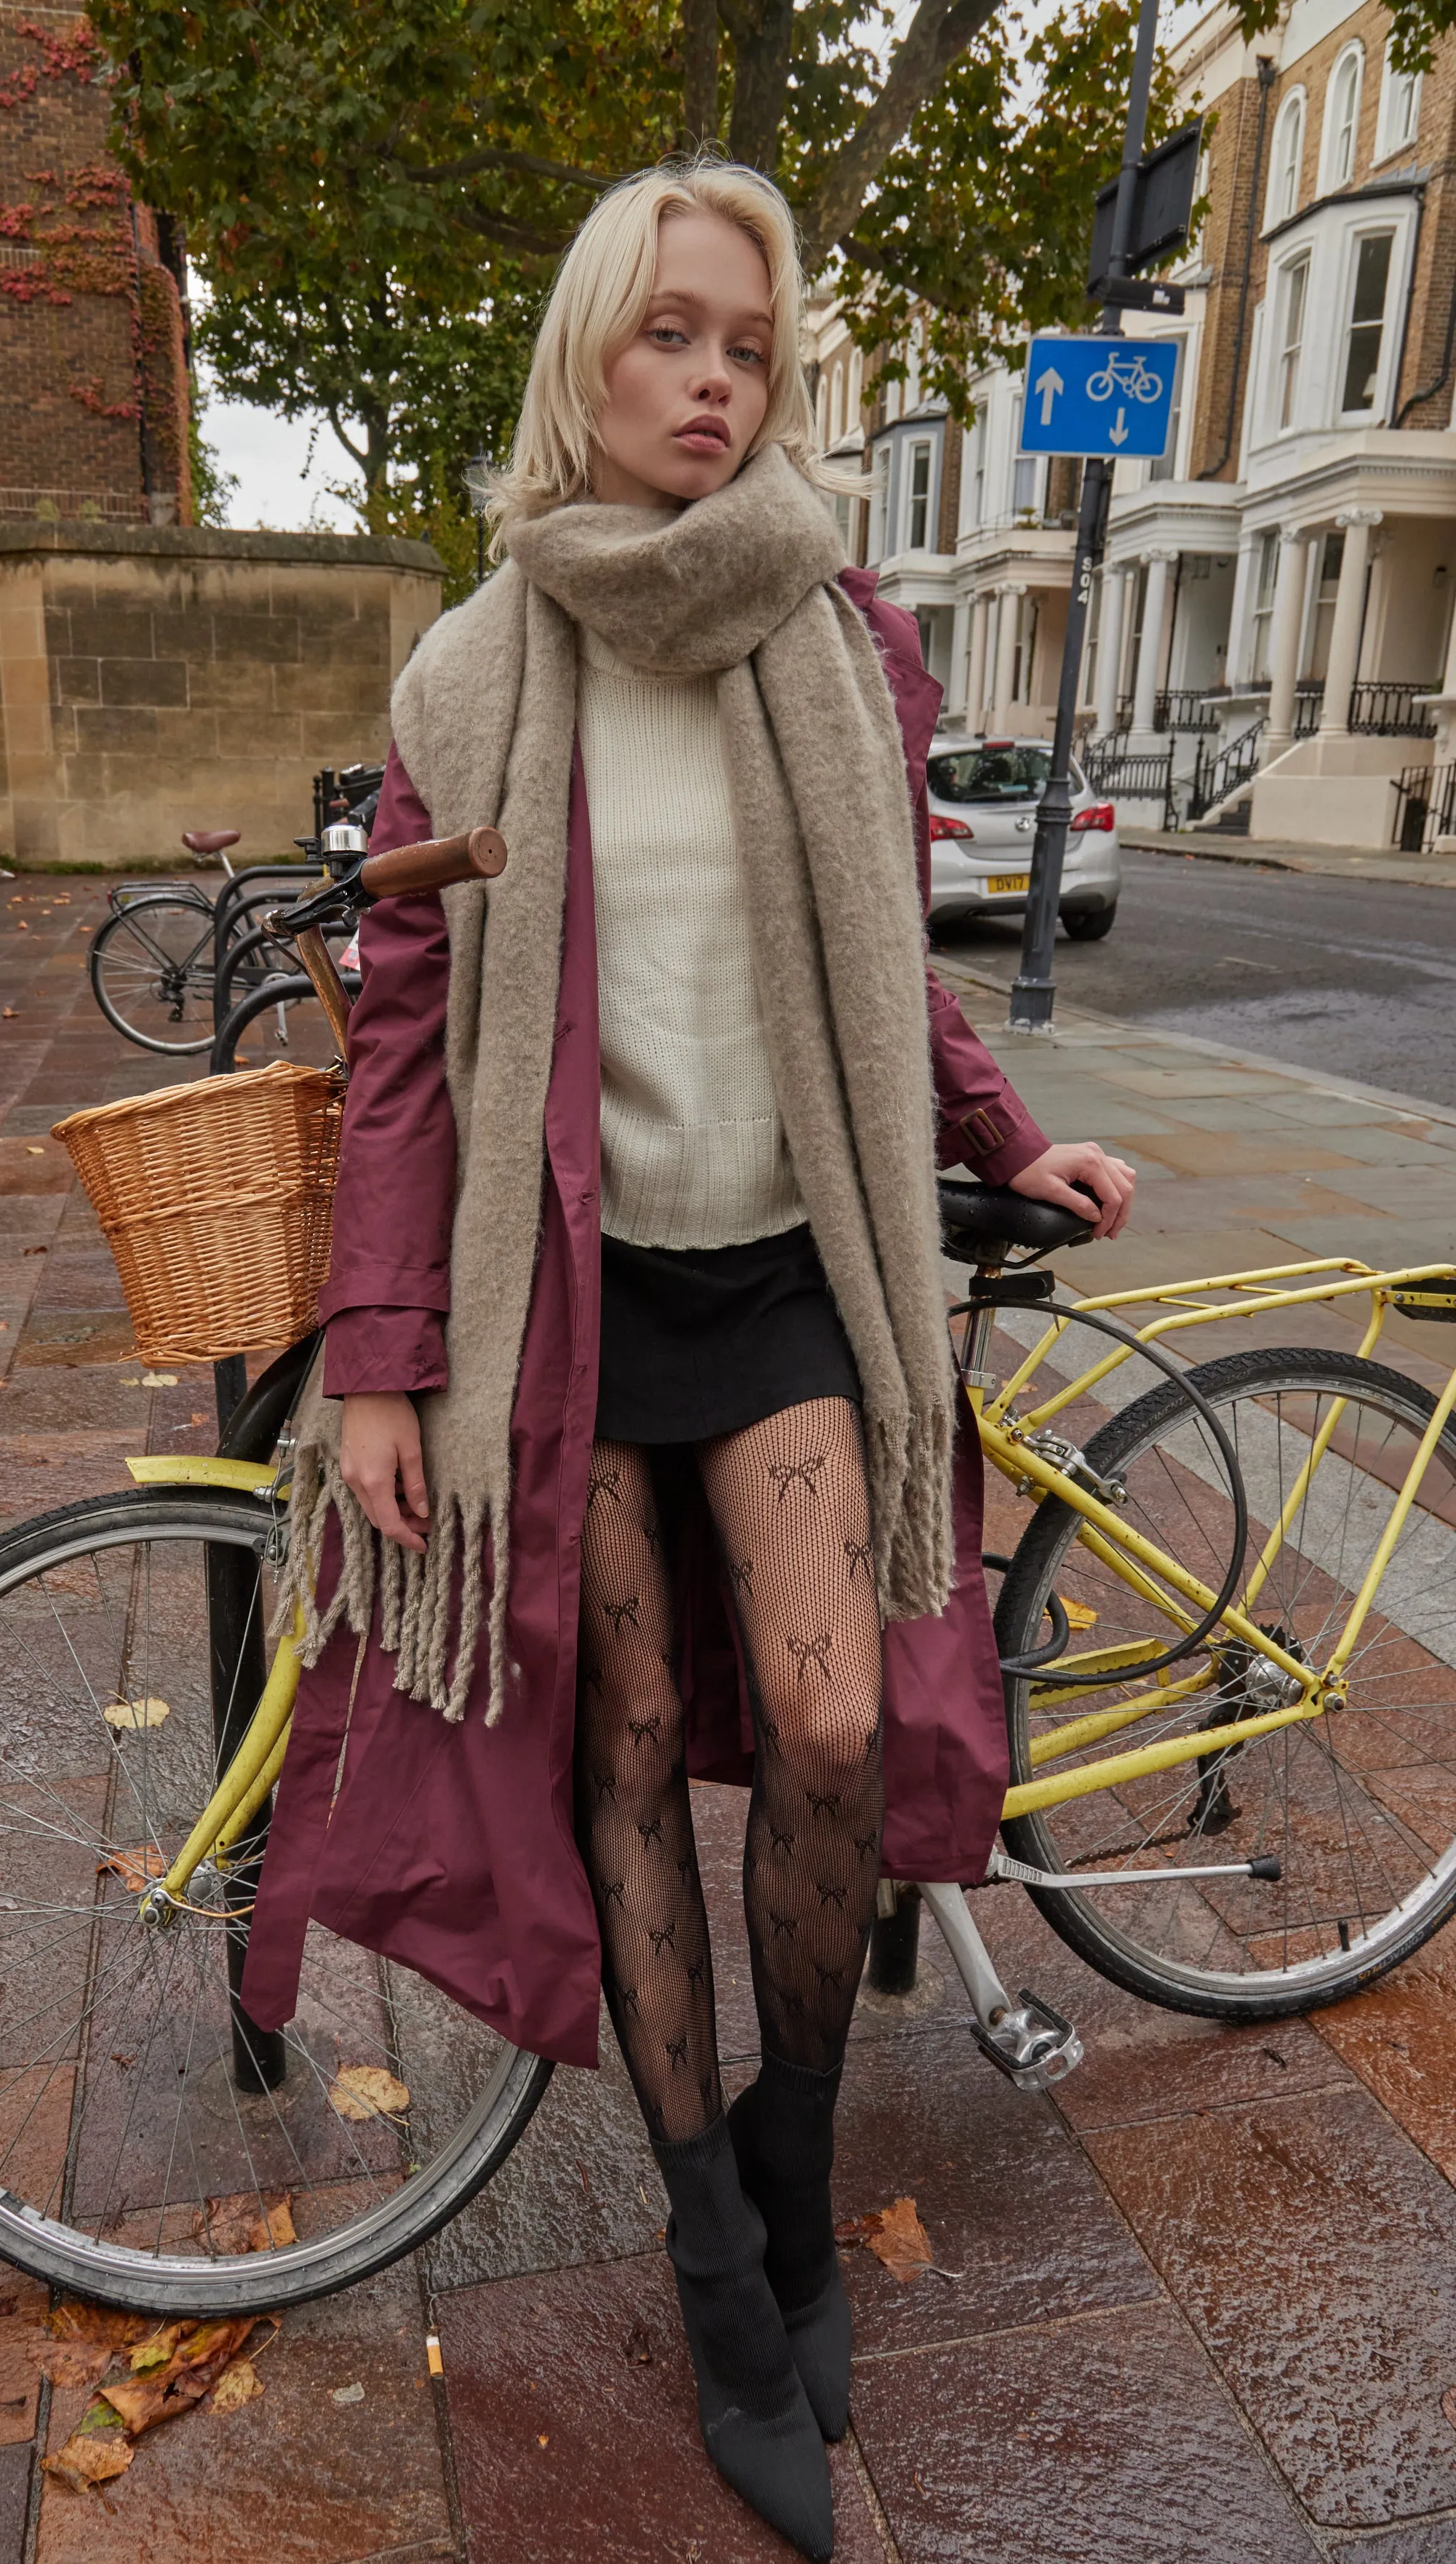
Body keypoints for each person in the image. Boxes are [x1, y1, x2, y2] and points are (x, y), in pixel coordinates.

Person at [242, 156, 1134, 2560]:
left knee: (831, 1739)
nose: (710, 377)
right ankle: (718, 2270)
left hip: (789, 1281)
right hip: (576, 1304)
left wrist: (1006, 1138)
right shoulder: (467, 677)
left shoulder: (839, 640)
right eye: (665, 334)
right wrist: (382, 1353)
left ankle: (791, 2168)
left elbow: (886, 963)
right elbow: (411, 1047)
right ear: (585, 355)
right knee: (625, 1752)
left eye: (744, 337)